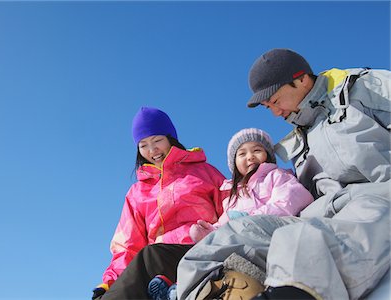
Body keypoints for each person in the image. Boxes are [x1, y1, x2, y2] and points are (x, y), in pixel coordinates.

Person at [175, 48, 390, 300]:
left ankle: (293, 292)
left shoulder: (364, 87)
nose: (275, 113)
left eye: (275, 101)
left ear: (300, 78)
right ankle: (209, 292)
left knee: (300, 239)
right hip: (321, 212)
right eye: (269, 107)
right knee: (231, 235)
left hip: (378, 196)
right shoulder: (301, 135)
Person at [147, 127, 314, 300]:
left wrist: (251, 218)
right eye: (242, 154)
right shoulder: (233, 195)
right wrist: (210, 231)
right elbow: (225, 221)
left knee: (216, 251)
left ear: (268, 155)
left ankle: (177, 292)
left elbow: (291, 200)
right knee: (204, 250)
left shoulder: (277, 176)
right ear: (234, 163)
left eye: (257, 150)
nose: (250, 156)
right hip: (242, 237)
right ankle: (181, 288)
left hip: (269, 233)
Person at [92, 106, 226, 300]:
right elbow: (127, 245)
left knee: (152, 255)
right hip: (157, 264)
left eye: (157, 140)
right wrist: (110, 282)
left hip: (201, 248)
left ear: (171, 138)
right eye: (143, 144)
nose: (152, 149)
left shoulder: (203, 172)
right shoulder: (137, 192)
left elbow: (232, 207)